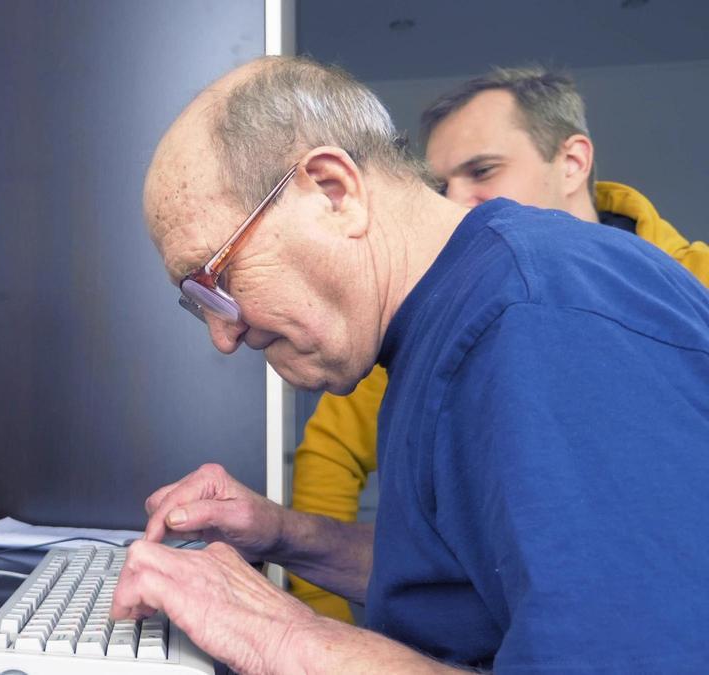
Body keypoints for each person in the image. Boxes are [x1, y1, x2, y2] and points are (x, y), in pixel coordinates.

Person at [109, 55, 709, 673]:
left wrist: (285, 638)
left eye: (217, 277)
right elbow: (484, 576)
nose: (223, 336)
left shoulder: (540, 318)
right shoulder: (447, 315)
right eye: (198, 301)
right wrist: (283, 535)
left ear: (334, 192)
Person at [289, 67, 709, 623]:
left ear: (573, 161)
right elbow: (331, 452)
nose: (457, 200)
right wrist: (322, 623)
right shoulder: (425, 320)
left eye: (482, 170)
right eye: (441, 186)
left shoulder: (695, 284)